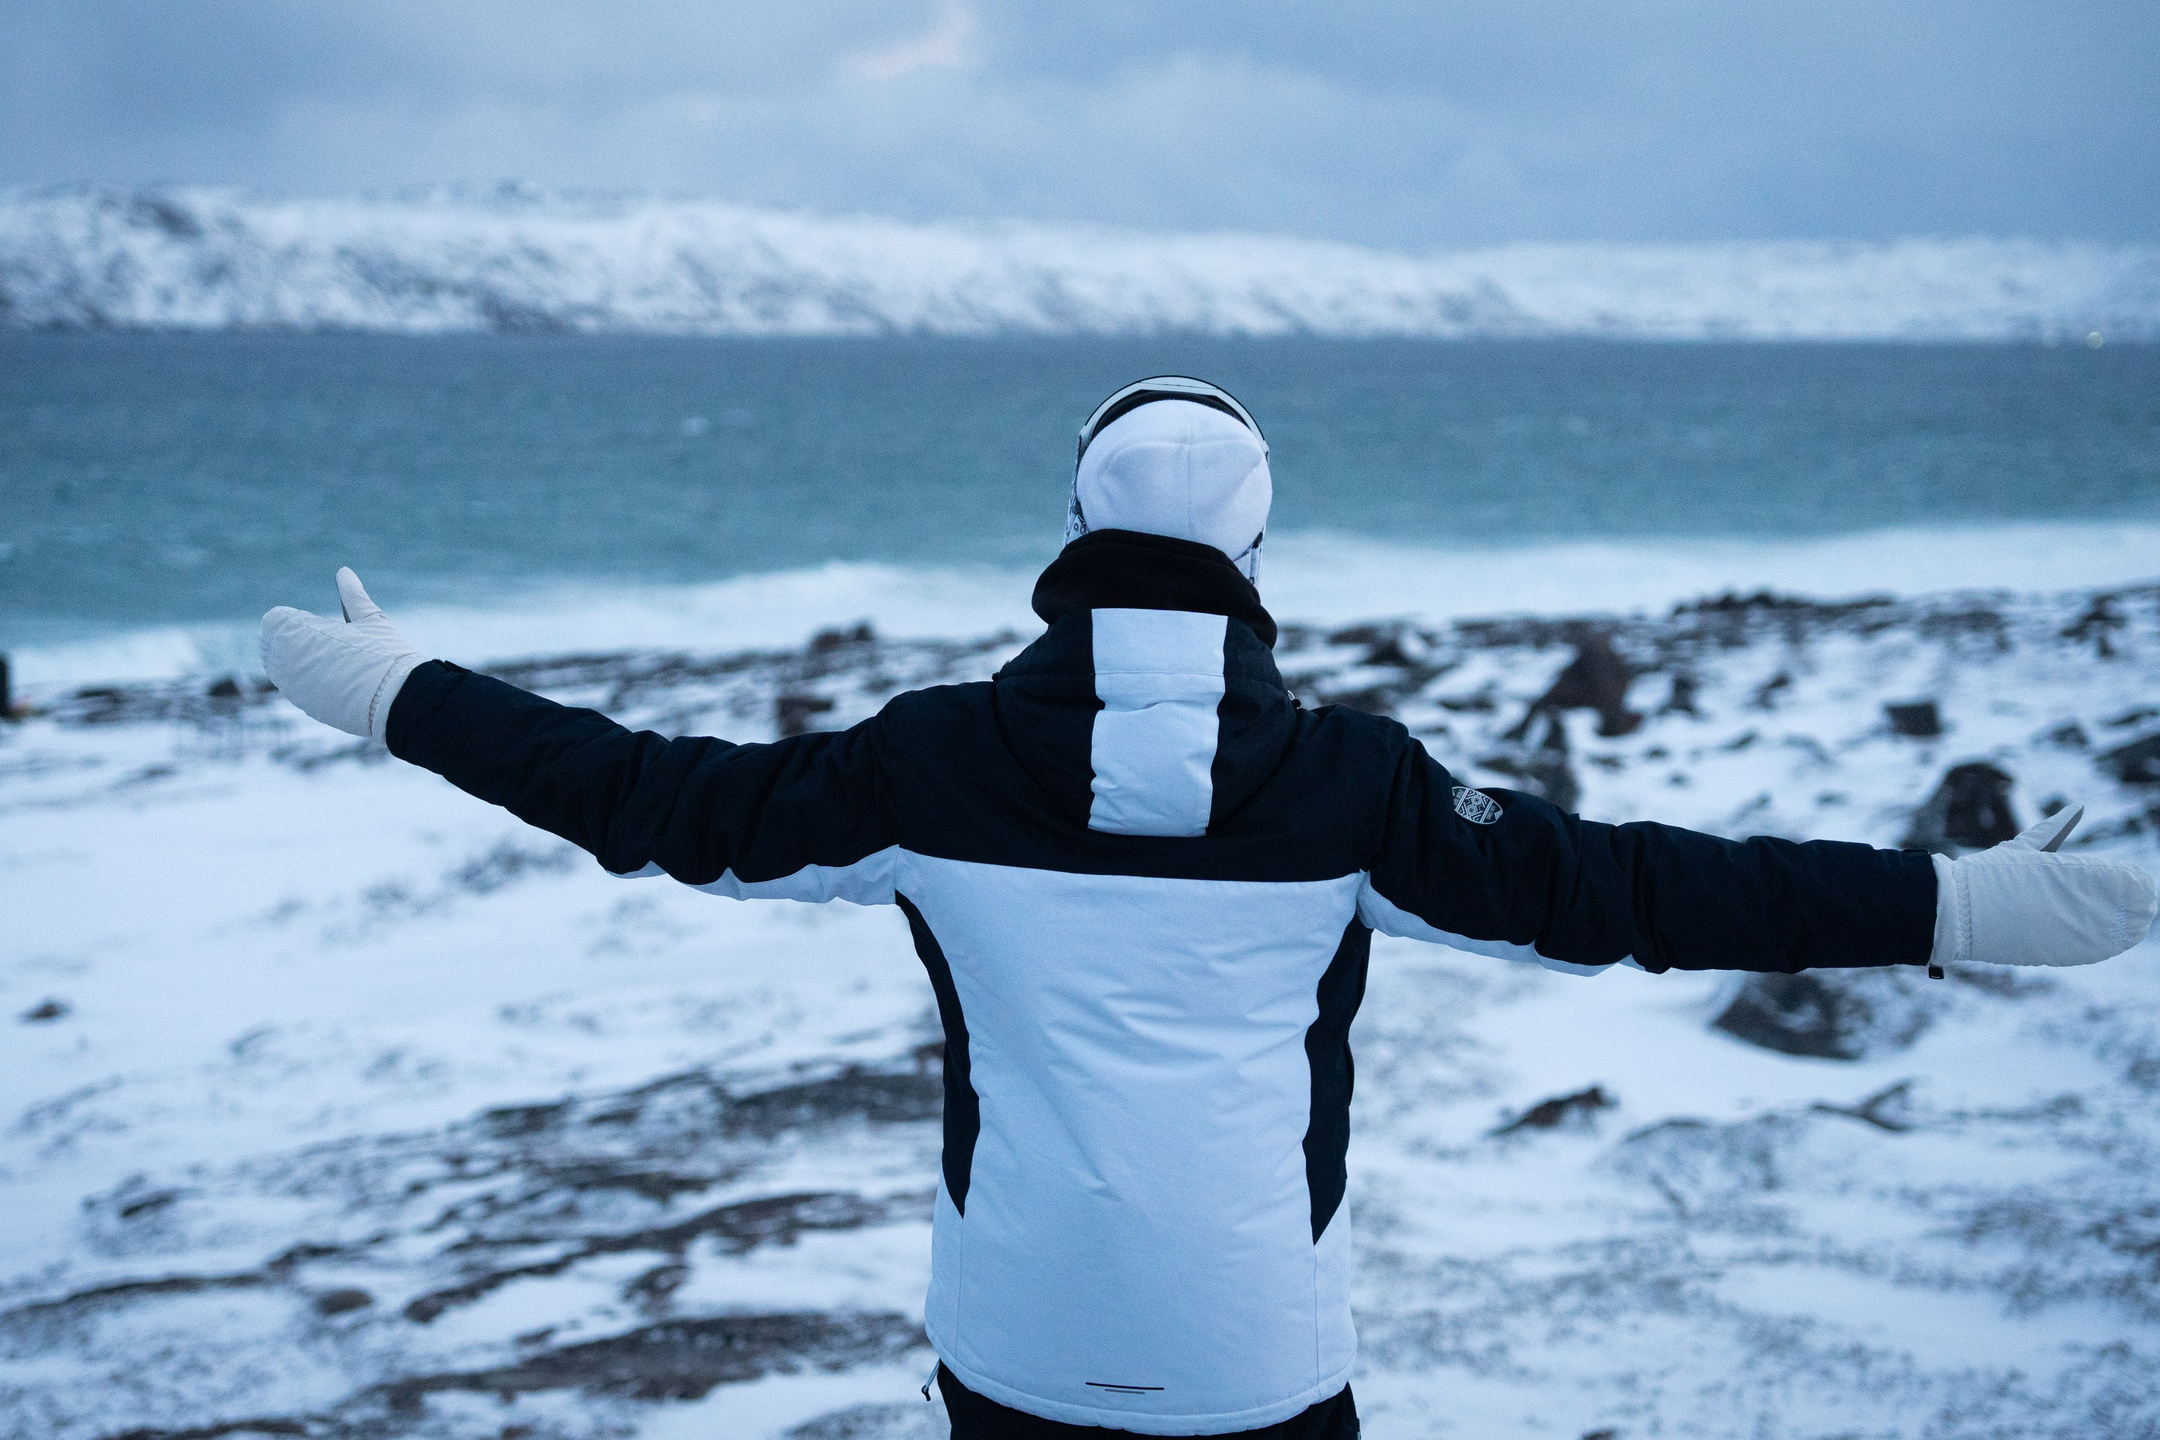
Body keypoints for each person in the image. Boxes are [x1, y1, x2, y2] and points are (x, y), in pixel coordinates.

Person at [260, 376, 2155, 1440]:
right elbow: (1642, 889)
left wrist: (401, 694)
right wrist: (1968, 906)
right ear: (1256, 550)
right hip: (1261, 1365)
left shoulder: (922, 768)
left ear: (1077, 534)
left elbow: (649, 797)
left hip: (1009, 1349)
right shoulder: (1353, 786)